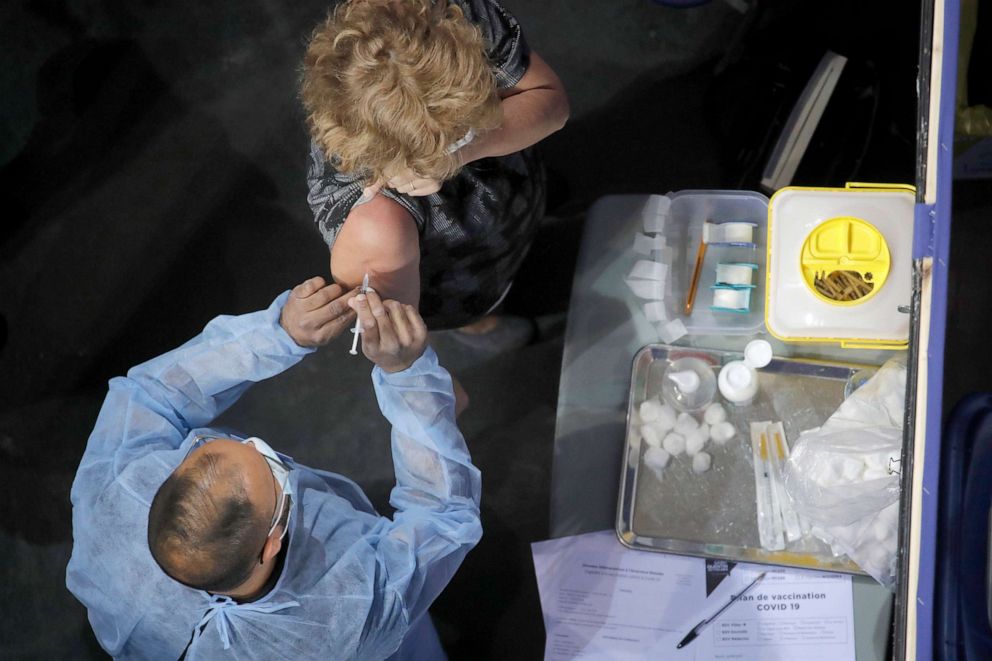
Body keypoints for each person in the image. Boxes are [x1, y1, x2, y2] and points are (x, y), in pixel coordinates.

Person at [66, 277, 482, 660]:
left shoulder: (115, 494)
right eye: (274, 471)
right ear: (271, 544)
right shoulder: (352, 612)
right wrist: (410, 379)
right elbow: (440, 517)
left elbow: (154, 394)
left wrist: (279, 333)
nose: (257, 446)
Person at [302, 0, 569, 344]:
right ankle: (481, 329)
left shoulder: (440, 13)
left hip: (511, 192)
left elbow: (550, 101)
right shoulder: (375, 228)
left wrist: (464, 150)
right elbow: (397, 335)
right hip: (466, 276)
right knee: (480, 312)